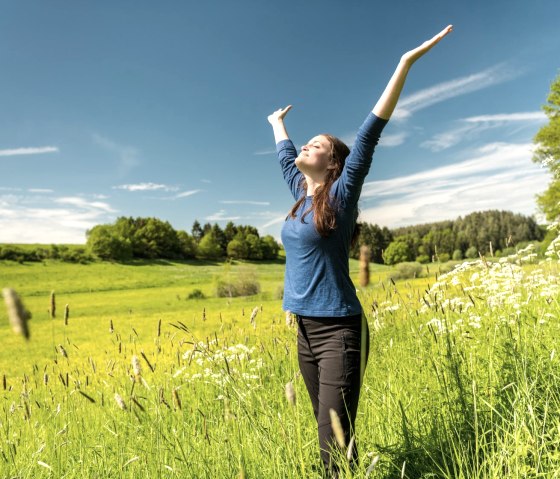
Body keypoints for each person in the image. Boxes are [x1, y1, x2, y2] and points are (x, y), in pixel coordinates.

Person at [268, 25, 453, 477]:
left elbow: (369, 133)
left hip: (339, 333)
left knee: (333, 443)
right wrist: (277, 125)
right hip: (305, 331)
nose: (306, 145)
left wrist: (404, 64)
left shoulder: (341, 195)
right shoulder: (300, 193)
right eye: (305, 141)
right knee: (327, 431)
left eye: (318, 144)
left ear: (332, 163)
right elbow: (284, 154)